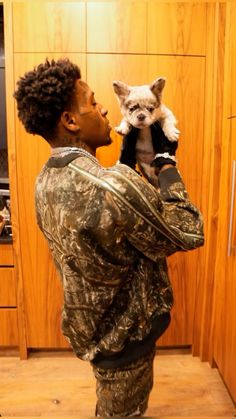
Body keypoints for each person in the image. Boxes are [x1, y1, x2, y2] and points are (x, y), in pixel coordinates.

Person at [14, 58, 204, 417]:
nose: (103, 109)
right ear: (70, 121)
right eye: (94, 102)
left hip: (90, 329)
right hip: (126, 334)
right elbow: (190, 230)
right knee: (121, 412)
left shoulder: (44, 179)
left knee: (114, 401)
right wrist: (167, 167)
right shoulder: (114, 184)